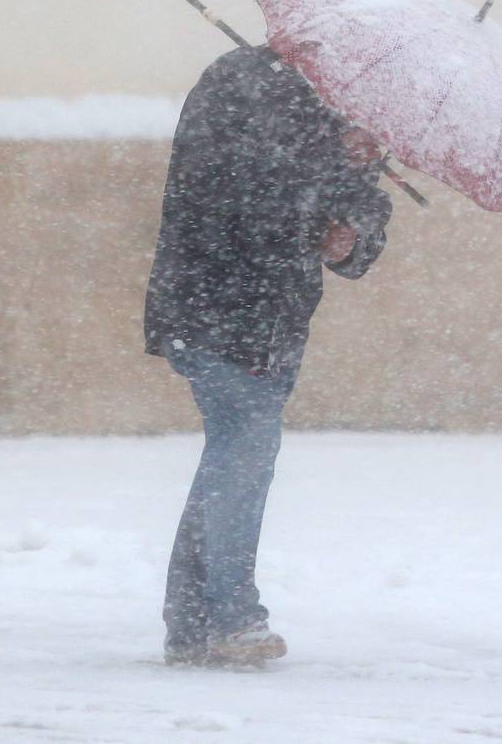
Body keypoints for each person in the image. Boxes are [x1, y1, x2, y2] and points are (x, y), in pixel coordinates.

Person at [143, 43, 392, 668]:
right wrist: (335, 152)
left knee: (232, 456)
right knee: (245, 449)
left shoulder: (343, 105)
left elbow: (361, 205)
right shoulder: (239, 82)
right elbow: (237, 193)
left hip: (277, 317)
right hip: (216, 302)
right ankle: (231, 616)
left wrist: (352, 234)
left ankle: (193, 626)